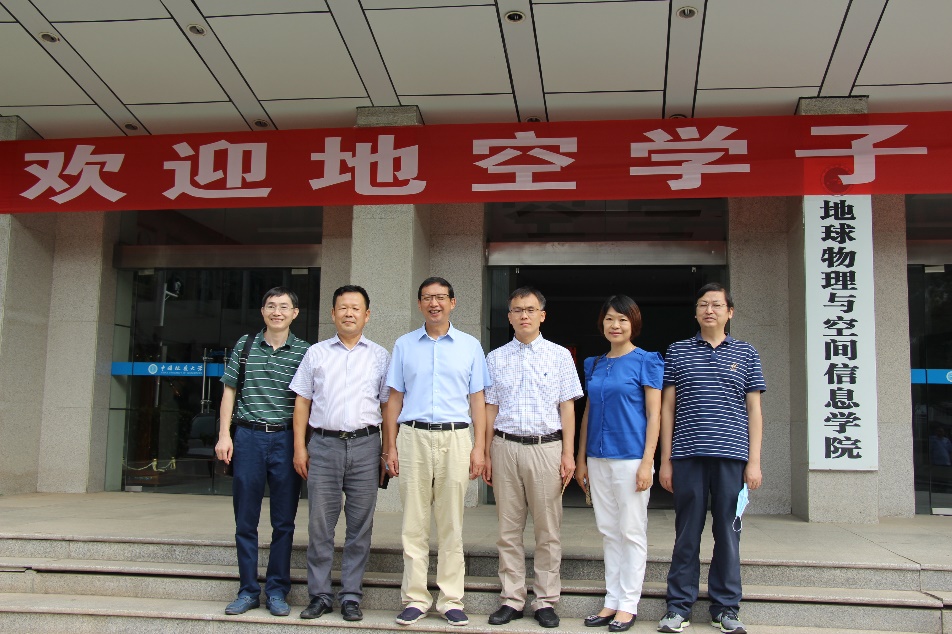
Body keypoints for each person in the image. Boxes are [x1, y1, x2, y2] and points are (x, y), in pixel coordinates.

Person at [657, 283, 766, 634]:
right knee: (687, 533)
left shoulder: (746, 353)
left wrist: (754, 461)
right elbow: (667, 408)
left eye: (717, 305)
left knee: (728, 533)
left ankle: (726, 608)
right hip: (687, 455)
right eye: (703, 304)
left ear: (729, 312)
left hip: (732, 458)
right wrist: (666, 460)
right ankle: (678, 607)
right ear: (695, 312)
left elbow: (754, 410)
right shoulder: (677, 351)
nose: (709, 310)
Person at [382, 276, 490, 627]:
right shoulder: (404, 345)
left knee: (451, 523)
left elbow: (478, 401)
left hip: (456, 438)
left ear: (452, 302)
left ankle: (451, 599)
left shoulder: (470, 346)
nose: (434, 303)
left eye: (441, 297)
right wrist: (390, 445)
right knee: (413, 523)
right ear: (419, 304)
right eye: (428, 298)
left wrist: (479, 448)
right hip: (412, 437)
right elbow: (394, 398)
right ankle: (415, 598)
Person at [289, 285, 390, 622]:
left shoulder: (380, 356)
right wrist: (300, 447)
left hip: (366, 446)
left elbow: (388, 406)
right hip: (323, 445)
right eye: (343, 308)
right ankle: (319, 595)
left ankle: (350, 596)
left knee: (360, 526)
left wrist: (387, 449)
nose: (349, 313)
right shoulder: (316, 353)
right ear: (332, 313)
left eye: (356, 308)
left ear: (367, 315)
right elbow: (302, 402)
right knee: (320, 524)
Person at [483, 287, 583, 629]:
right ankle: (512, 598)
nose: (523, 315)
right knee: (508, 529)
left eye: (530, 309)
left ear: (542, 315)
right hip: (505, 447)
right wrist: (486, 452)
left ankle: (545, 600)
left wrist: (568, 453)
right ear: (509, 316)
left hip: (546, 448)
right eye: (517, 310)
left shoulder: (560, 356)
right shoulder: (495, 358)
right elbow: (490, 408)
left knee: (547, 529)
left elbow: (568, 407)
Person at [214, 287, 310, 617]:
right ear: (263, 311)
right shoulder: (245, 345)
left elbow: (308, 400)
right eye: (271, 306)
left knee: (284, 522)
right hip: (248, 438)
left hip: (286, 439)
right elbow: (229, 391)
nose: (277, 312)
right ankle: (248, 590)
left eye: (284, 306)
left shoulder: (305, 352)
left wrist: (302, 445)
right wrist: (224, 435)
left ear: (295, 313)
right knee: (245, 520)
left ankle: (278, 590)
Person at [576, 295, 663, 633]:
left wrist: (648, 462)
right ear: (602, 323)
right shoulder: (594, 364)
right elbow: (588, 413)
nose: (615, 325)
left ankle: (628, 604)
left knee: (631, 531)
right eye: (610, 319)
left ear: (633, 323)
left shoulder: (647, 361)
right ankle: (611, 600)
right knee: (609, 531)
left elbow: (654, 415)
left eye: (623, 319)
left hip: (631, 458)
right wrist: (581, 458)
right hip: (597, 458)